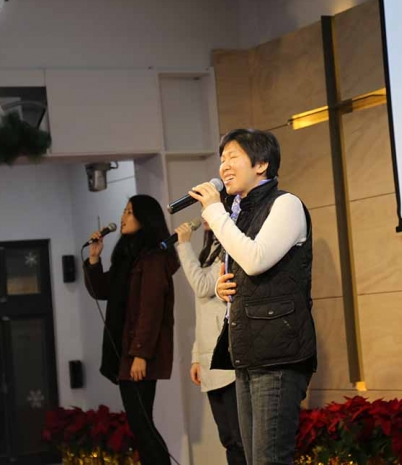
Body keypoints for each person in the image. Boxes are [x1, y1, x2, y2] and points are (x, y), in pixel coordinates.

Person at [187, 128, 317, 465]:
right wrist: (223, 288)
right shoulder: (238, 212)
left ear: (261, 164)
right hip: (247, 352)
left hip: (279, 353)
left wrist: (214, 211)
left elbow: (257, 259)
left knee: (269, 459)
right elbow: (246, 266)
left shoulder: (286, 204)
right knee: (251, 458)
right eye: (222, 159)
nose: (224, 166)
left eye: (233, 157)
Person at [83, 195, 179, 465]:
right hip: (126, 350)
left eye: (129, 212)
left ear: (144, 219)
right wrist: (94, 259)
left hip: (139, 353)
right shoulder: (128, 257)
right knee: (139, 425)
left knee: (142, 424)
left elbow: (150, 309)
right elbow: (103, 290)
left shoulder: (153, 259)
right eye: (124, 211)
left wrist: (140, 354)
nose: (123, 217)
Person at [174, 219, 247, 465]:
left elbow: (203, 286)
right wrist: (197, 357)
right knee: (228, 438)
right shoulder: (210, 251)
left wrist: (184, 245)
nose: (203, 215)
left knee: (240, 437)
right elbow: (202, 310)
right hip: (209, 359)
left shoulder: (229, 250)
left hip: (227, 357)